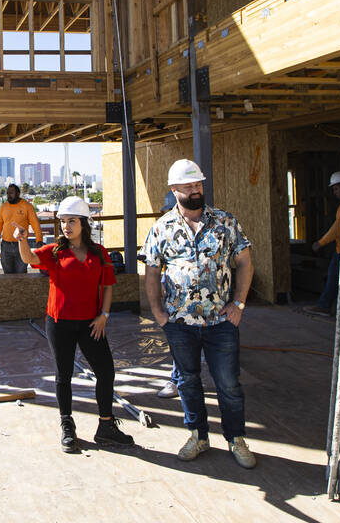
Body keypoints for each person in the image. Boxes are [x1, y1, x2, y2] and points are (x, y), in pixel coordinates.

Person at [143, 159, 257, 468]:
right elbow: (151, 271)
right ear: (174, 189)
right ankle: (198, 435)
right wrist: (158, 312)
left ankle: (236, 438)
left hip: (221, 321)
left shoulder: (225, 222)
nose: (196, 190)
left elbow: (245, 262)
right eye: (189, 186)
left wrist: (239, 304)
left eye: (199, 185)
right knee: (188, 381)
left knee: (228, 383)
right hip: (180, 323)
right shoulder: (161, 228)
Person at [16, 196, 134, 452]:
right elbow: (29, 259)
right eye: (63, 221)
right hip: (59, 324)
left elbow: (107, 286)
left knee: (106, 372)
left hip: (91, 323)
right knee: (64, 375)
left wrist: (104, 315)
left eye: (71, 221)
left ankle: (106, 426)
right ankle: (67, 424)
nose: (66, 226)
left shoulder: (99, 252)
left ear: (83, 223)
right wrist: (22, 239)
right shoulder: (55, 251)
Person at [156, 188, 180, 399]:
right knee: (179, 342)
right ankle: (177, 378)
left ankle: (177, 379)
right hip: (175, 301)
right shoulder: (164, 231)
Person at [312, 171, 340, 315]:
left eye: (337, 188)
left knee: (333, 277)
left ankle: (325, 305)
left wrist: (321, 243)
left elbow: (337, 228)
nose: (335, 192)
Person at [0, 184, 42, 273]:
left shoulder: (27, 206)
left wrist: (39, 240)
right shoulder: (3, 206)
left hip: (22, 245)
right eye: (7, 193)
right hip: (6, 246)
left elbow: (35, 224)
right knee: (7, 275)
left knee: (21, 275)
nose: (8, 195)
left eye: (11, 193)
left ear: (18, 194)